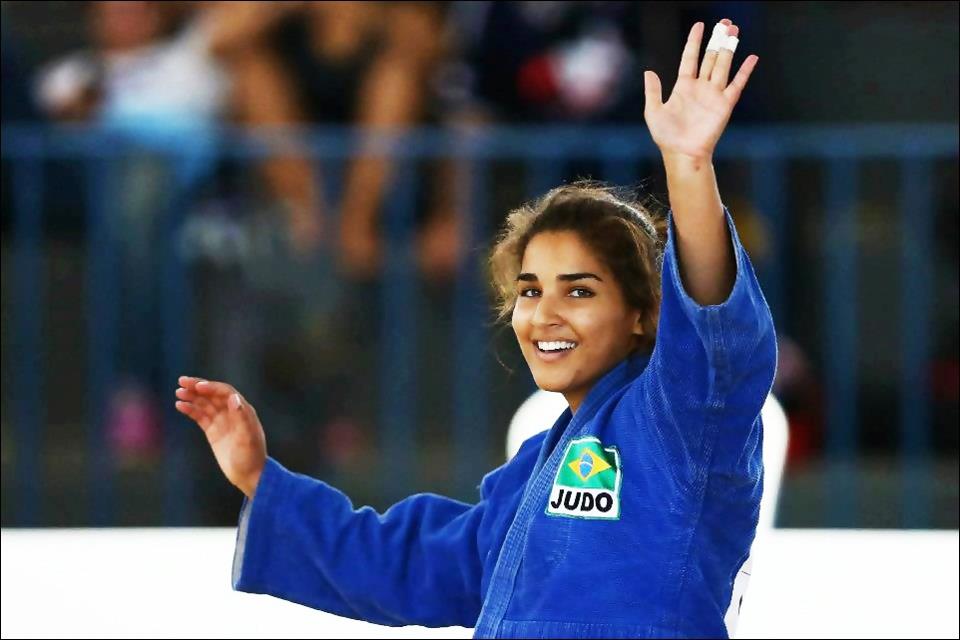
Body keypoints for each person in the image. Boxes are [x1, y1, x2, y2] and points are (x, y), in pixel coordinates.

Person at [175, 18, 775, 638]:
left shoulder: (681, 416)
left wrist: (688, 168)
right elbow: (407, 563)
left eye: (579, 291)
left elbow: (712, 333)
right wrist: (260, 479)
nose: (545, 313)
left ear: (644, 312)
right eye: (530, 290)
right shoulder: (532, 478)